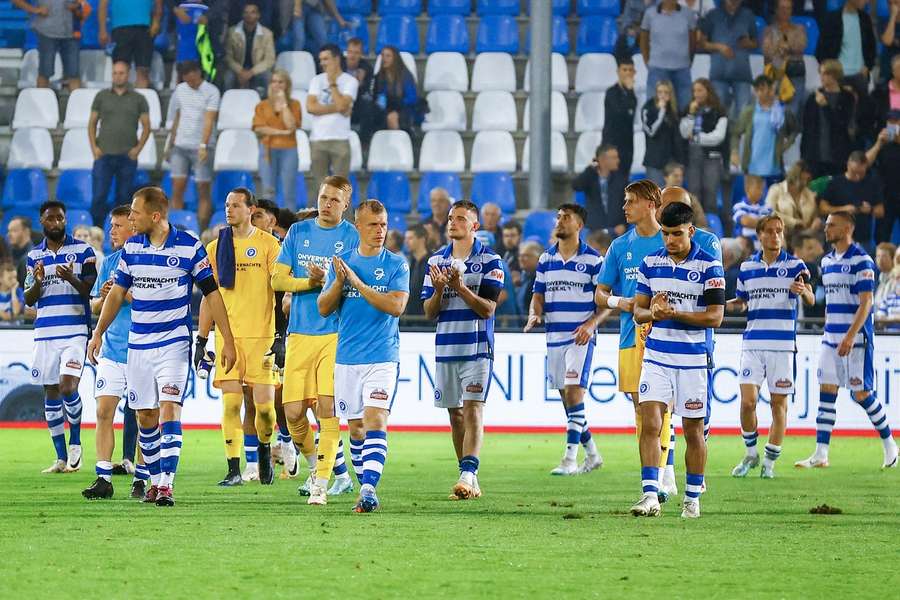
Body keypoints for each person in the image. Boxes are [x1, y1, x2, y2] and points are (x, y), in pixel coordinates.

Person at [87, 186, 237, 507]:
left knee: (170, 408)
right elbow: (115, 295)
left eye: (135, 213)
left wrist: (227, 340)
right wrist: (98, 332)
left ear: (155, 216)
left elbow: (212, 294)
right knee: (145, 418)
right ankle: (154, 480)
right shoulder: (131, 250)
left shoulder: (189, 247)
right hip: (138, 344)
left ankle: (166, 484)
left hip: (174, 342)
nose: (130, 218)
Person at [630, 201, 726, 518]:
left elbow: (716, 317)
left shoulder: (711, 267)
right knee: (651, 425)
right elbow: (638, 312)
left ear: (691, 231)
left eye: (677, 234)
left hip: (693, 361)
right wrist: (652, 313)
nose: (670, 240)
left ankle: (692, 498)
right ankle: (649, 495)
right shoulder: (649, 263)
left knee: (693, 431)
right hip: (656, 357)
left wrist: (676, 314)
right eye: (666, 234)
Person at [318, 199, 408, 512]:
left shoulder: (397, 264)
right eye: (373, 224)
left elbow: (396, 307)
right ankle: (363, 484)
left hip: (383, 356)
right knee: (355, 428)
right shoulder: (341, 263)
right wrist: (341, 283)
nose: (380, 230)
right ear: (358, 226)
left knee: (375, 419)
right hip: (347, 358)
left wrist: (357, 282)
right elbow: (324, 307)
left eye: (383, 224)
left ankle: (368, 490)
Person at [272, 176, 359, 503]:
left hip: (334, 335)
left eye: (335, 200)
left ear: (345, 205)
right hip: (299, 334)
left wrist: (327, 286)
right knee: (292, 412)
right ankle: (315, 465)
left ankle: (321, 483)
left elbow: (352, 288)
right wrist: (309, 283)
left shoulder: (352, 238)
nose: (327, 204)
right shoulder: (298, 232)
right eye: (324, 197)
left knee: (327, 409)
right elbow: (276, 279)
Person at [795, 211, 899, 469]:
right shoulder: (827, 261)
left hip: (856, 339)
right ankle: (821, 454)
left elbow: (866, 304)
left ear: (848, 228)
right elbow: (828, 300)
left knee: (862, 393)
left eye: (832, 225)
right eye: (827, 224)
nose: (827, 229)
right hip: (830, 336)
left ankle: (890, 445)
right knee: (826, 390)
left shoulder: (862, 261)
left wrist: (851, 336)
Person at [596, 180, 679, 501]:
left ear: (650, 204)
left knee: (662, 406)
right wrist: (623, 303)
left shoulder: (670, 241)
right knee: (641, 407)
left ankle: (664, 475)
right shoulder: (619, 246)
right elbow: (601, 294)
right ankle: (657, 474)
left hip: (665, 335)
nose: (625, 206)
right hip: (631, 335)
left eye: (631, 201)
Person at [195, 188, 281, 487]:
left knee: (266, 410)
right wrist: (202, 339)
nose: (229, 210)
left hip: (262, 337)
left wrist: (280, 336)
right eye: (227, 205)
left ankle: (265, 448)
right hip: (228, 337)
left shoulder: (269, 244)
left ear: (250, 209)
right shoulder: (216, 247)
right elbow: (209, 296)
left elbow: (279, 289)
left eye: (235, 205)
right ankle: (233, 469)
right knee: (231, 405)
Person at [422, 200, 504, 500]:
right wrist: (442, 288)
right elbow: (429, 311)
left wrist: (461, 287)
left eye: (460, 218)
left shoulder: (491, 261)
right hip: (446, 346)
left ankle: (468, 474)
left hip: (477, 347)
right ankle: (467, 475)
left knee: (472, 409)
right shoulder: (435, 262)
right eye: (450, 218)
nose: (452, 222)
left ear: (475, 226)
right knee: (455, 415)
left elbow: (488, 309)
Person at [725, 214, 814, 479]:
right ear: (760, 235)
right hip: (752, 343)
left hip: (782, 345)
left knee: (778, 405)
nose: (775, 235)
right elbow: (742, 302)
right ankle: (751, 453)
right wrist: (720, 304)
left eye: (779, 231)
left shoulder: (796, 265)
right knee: (747, 402)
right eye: (770, 231)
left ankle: (769, 462)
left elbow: (809, 297)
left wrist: (804, 292)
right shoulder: (746, 268)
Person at [524, 204, 605, 476]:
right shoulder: (546, 259)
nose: (559, 221)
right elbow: (538, 294)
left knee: (573, 392)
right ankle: (592, 453)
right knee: (567, 400)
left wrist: (591, 325)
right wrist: (534, 314)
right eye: (557, 217)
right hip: (554, 336)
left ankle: (569, 460)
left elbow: (606, 300)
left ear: (579, 225)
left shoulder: (594, 260)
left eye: (565, 217)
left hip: (579, 336)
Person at [24, 201, 97, 474]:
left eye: (60, 218)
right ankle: (61, 458)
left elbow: (89, 290)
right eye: (50, 219)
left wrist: (70, 278)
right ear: (42, 222)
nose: (56, 222)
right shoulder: (34, 257)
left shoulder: (83, 251)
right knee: (51, 391)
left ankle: (76, 441)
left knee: (68, 386)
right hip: (45, 332)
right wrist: (39, 282)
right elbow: (29, 298)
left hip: (75, 330)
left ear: (65, 220)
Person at [81, 205, 148, 500]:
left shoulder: (147, 260)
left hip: (142, 350)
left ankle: (141, 480)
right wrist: (106, 296)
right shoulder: (108, 262)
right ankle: (103, 476)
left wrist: (123, 294)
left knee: (146, 417)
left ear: (133, 228)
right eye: (111, 226)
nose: (112, 232)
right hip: (112, 350)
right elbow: (95, 305)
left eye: (118, 226)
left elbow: (151, 301)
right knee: (103, 411)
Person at [88, 61, 152, 227]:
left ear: (128, 74)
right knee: (99, 196)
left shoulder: (139, 98)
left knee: (123, 199)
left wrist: (137, 149)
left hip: (127, 157)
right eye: (115, 73)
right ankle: (97, 231)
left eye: (121, 73)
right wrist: (94, 147)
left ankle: (121, 234)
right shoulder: (101, 96)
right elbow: (92, 123)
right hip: (104, 155)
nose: (118, 76)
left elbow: (147, 126)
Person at [166, 61, 220, 230]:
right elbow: (177, 116)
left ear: (198, 73)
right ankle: (175, 230)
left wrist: (203, 145)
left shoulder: (212, 91)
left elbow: (209, 119)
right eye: (184, 76)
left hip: (201, 148)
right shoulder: (180, 90)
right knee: (177, 188)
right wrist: (170, 142)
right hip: (180, 146)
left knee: (203, 189)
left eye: (190, 74)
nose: (188, 79)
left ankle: (202, 229)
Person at [306, 44, 358, 191]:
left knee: (341, 190)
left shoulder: (350, 81)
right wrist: (339, 108)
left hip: (340, 139)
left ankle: (344, 215)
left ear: (336, 59)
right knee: (320, 190)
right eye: (321, 59)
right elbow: (310, 107)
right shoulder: (316, 80)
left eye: (326, 59)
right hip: (317, 140)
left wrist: (332, 83)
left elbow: (342, 105)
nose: (322, 63)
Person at [730, 75, 799, 184]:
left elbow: (794, 131)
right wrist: (734, 151)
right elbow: (735, 133)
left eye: (763, 89)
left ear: (772, 89)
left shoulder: (782, 111)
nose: (760, 93)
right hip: (752, 167)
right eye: (757, 90)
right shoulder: (749, 112)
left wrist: (785, 146)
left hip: (774, 168)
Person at [680, 78, 729, 229]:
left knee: (710, 193)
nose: (697, 94)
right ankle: (694, 226)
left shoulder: (719, 111)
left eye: (700, 90)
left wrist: (697, 138)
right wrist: (691, 114)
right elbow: (684, 132)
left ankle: (711, 227)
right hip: (692, 157)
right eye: (694, 91)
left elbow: (718, 137)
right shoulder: (689, 109)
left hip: (712, 158)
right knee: (693, 193)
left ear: (708, 91)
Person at [699, 0, 758, 120]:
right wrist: (719, 47)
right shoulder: (713, 15)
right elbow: (702, 43)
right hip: (719, 73)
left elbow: (756, 43)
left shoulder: (748, 15)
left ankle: (738, 139)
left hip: (742, 75)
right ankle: (721, 139)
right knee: (719, 114)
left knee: (744, 115)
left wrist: (748, 43)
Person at [253, 69, 302, 209]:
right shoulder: (262, 105)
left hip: (289, 150)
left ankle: (289, 227)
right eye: (274, 81)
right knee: (268, 191)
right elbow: (259, 128)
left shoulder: (295, 104)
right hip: (267, 149)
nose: (277, 85)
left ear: (287, 85)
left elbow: (291, 126)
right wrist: (281, 132)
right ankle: (268, 226)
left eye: (280, 82)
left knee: (289, 192)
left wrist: (284, 104)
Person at [800, 59, 857, 178]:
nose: (821, 77)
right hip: (815, 157)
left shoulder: (847, 98)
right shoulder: (813, 98)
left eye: (825, 73)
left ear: (835, 75)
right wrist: (804, 155)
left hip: (838, 156)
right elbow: (807, 128)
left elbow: (841, 124)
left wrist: (825, 107)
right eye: (820, 73)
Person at [819, 151, 884, 252]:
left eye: (861, 173)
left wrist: (870, 209)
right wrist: (843, 209)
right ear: (848, 165)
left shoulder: (871, 183)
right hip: (838, 238)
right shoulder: (836, 183)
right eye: (854, 172)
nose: (857, 176)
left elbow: (881, 211)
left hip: (864, 239)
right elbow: (822, 208)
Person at [640, 0, 698, 109]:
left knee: (685, 108)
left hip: (682, 69)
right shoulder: (649, 14)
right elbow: (643, 40)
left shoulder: (688, 14)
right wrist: (648, 61)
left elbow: (693, 42)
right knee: (655, 107)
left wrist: (687, 61)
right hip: (657, 69)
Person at [12, 0, 82, 90]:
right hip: (47, 32)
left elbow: (83, 5)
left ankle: (77, 103)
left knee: (74, 73)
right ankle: (41, 102)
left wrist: (77, 7)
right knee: (45, 72)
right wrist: (35, 10)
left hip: (71, 32)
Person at [816, 0, 877, 95]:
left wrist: (867, 66)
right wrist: (831, 72)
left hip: (860, 76)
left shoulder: (865, 19)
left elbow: (871, 47)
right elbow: (821, 50)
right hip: (838, 77)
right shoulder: (832, 19)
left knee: (861, 109)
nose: (866, 1)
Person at [97, 0, 162, 89]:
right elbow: (103, 4)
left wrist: (156, 20)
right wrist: (102, 30)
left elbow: (158, 3)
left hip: (144, 27)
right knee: (120, 69)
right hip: (120, 27)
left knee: (143, 70)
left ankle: (140, 101)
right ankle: (119, 101)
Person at [762, 0, 808, 120]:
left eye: (788, 8)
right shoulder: (769, 31)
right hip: (776, 75)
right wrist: (781, 47)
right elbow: (767, 52)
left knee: (792, 111)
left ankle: (789, 136)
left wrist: (784, 46)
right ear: (776, 10)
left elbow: (801, 46)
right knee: (774, 111)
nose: (785, 11)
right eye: (782, 8)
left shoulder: (799, 29)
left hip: (795, 74)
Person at [572, 144, 627, 235]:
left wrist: (624, 224)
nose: (618, 160)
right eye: (614, 157)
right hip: (594, 231)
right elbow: (576, 186)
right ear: (603, 160)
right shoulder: (590, 177)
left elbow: (627, 203)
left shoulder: (621, 179)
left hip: (616, 230)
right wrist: (590, 169)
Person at [368, 46, 420, 139]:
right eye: (383, 56)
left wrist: (397, 107)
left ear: (395, 58)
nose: (384, 59)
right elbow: (376, 97)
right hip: (385, 109)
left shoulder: (405, 76)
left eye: (388, 56)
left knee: (392, 117)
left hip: (404, 109)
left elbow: (412, 98)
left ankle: (398, 145)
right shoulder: (378, 77)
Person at [224, 3, 275, 95]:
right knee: (228, 77)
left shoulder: (267, 33)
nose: (249, 15)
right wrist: (240, 71)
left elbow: (270, 59)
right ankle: (228, 102)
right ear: (242, 15)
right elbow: (228, 57)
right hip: (238, 68)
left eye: (252, 12)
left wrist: (251, 72)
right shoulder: (232, 32)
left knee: (268, 76)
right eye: (246, 12)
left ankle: (267, 103)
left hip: (257, 68)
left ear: (258, 15)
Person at [864, 109, 900, 243]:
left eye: (896, 121)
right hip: (886, 197)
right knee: (882, 236)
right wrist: (878, 144)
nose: (892, 124)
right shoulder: (881, 142)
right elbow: (864, 164)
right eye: (890, 121)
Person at [764, 160, 820, 239]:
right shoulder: (776, 189)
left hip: (805, 233)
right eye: (802, 179)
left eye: (807, 180)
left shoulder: (809, 194)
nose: (805, 183)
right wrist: (794, 222)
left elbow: (815, 214)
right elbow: (768, 212)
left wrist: (816, 221)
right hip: (782, 232)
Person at [642, 80, 682, 187]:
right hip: (654, 162)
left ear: (670, 94)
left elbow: (677, 137)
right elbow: (651, 132)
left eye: (666, 92)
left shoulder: (673, 110)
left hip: (671, 161)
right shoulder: (648, 108)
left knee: (672, 197)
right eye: (660, 92)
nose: (662, 95)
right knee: (656, 197)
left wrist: (679, 160)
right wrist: (660, 112)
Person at [603, 59, 638, 178]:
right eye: (624, 70)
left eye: (630, 70)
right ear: (618, 72)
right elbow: (620, 112)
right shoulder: (611, 93)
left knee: (624, 180)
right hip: (612, 144)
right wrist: (629, 91)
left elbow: (631, 114)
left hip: (627, 145)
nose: (628, 73)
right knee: (613, 181)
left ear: (634, 73)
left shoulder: (632, 94)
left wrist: (629, 92)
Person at [663, 161, 709, 229]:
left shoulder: (690, 198)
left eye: (681, 176)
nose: (679, 179)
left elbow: (701, 224)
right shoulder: (657, 197)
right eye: (675, 176)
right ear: (666, 177)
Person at [732, 175, 773, 250]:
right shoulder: (739, 206)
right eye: (758, 188)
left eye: (762, 189)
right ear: (747, 188)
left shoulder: (767, 207)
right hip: (745, 245)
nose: (761, 192)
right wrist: (763, 224)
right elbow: (745, 221)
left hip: (763, 244)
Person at [345, 37, 374, 133]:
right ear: (346, 52)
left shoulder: (367, 68)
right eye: (350, 52)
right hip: (341, 99)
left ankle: (364, 140)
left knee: (368, 105)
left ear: (361, 54)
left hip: (358, 101)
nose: (352, 56)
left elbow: (369, 92)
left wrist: (360, 84)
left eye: (356, 53)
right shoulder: (339, 65)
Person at [404, 224, 429, 316]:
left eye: (410, 238)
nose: (406, 242)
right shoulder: (410, 262)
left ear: (422, 239)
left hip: (425, 316)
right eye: (406, 238)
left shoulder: (431, 262)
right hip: (410, 314)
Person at [516, 241, 542, 315]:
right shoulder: (523, 277)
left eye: (526, 256)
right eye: (520, 255)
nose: (521, 259)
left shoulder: (543, 279)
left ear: (538, 258)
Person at [8, 216, 33, 287]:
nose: (9, 234)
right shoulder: (8, 254)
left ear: (26, 231)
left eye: (13, 230)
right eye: (9, 231)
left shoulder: (32, 258)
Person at [874, 242, 899, 307]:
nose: (880, 259)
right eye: (878, 256)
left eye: (884, 256)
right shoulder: (881, 280)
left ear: (893, 259)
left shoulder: (896, 280)